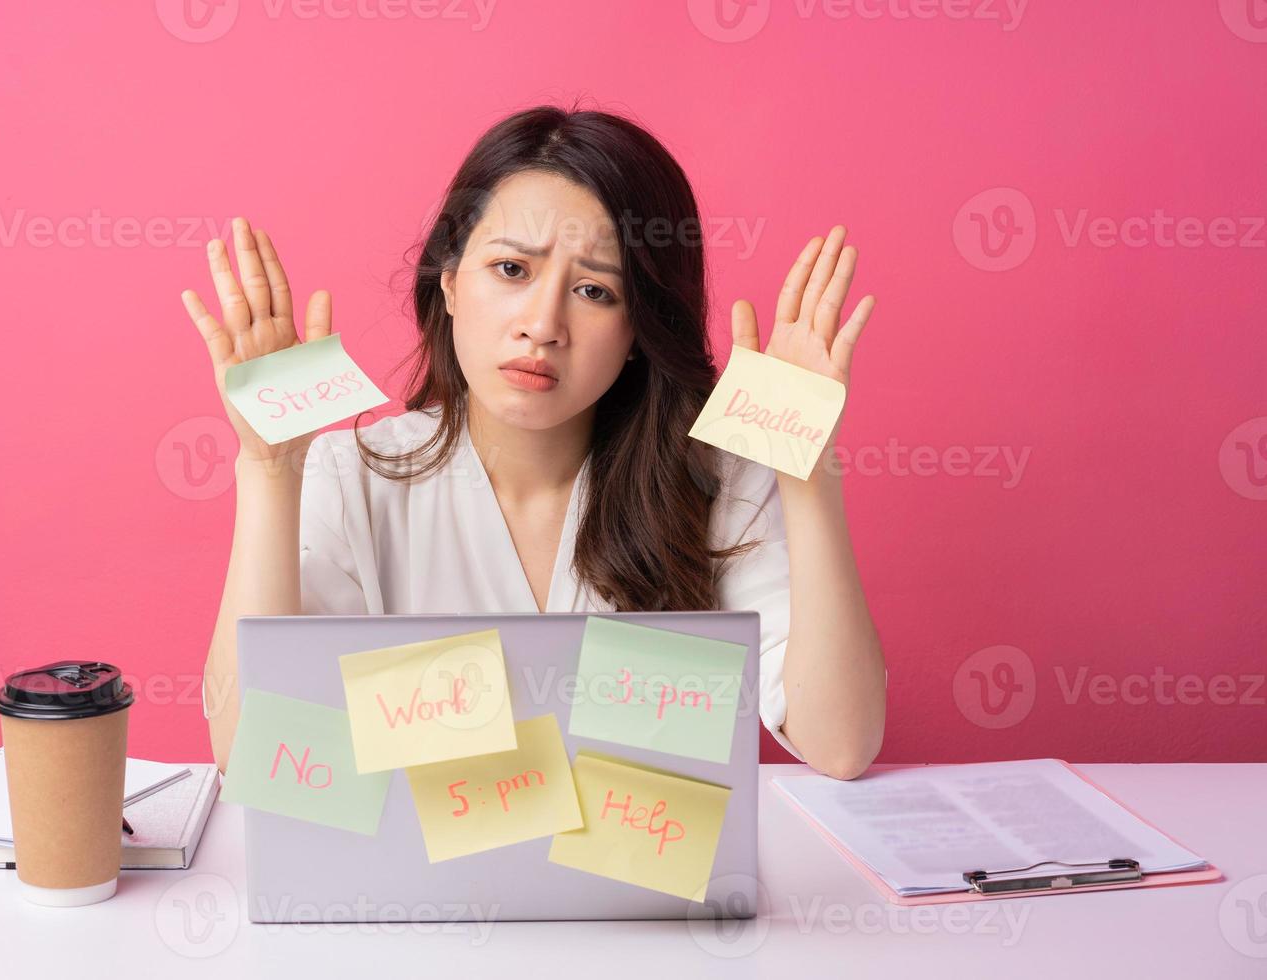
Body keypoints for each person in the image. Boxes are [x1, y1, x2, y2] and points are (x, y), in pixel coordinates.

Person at [183, 104, 886, 780]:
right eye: (512, 271)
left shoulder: (717, 479)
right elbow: (251, 749)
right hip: (423, 898)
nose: (543, 325)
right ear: (451, 282)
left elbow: (841, 744)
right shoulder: (351, 476)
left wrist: (807, 473)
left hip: (647, 892)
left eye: (595, 292)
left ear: (640, 329)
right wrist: (269, 465)